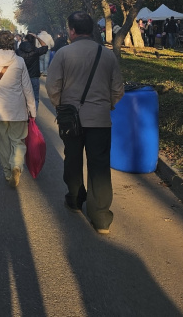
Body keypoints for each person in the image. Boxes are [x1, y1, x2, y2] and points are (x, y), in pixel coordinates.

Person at [46, 12, 124, 235]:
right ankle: (100, 217)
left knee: (72, 158)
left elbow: (53, 87)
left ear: (71, 30)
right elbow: (118, 88)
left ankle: (74, 198)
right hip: (99, 119)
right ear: (91, 30)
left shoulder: (63, 54)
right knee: (99, 166)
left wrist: (61, 107)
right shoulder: (107, 55)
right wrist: (106, 105)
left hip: (71, 119)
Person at [0, 31, 37, 187]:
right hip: (18, 109)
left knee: (3, 143)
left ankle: (7, 173)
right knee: (18, 141)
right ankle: (17, 165)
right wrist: (32, 110)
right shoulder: (19, 61)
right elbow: (27, 88)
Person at [17, 33, 49, 111]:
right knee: (35, 97)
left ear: (25, 39)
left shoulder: (18, 51)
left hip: (22, 77)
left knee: (22, 97)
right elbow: (45, 46)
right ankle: (33, 115)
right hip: (34, 76)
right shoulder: (36, 50)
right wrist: (37, 37)